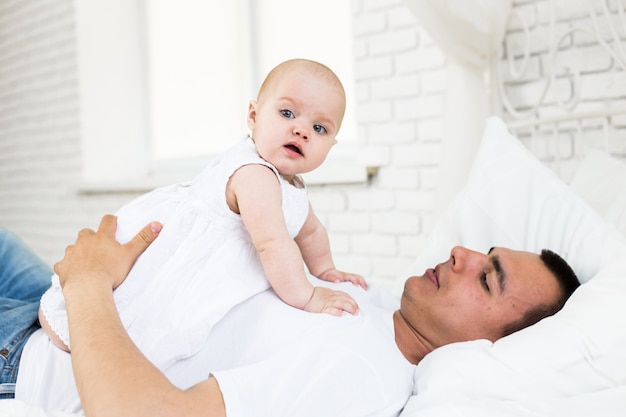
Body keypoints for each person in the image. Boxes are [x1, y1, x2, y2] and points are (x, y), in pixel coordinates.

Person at [1, 215, 580, 416]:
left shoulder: (364, 372)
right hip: (54, 303)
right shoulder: (380, 310)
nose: (462, 254)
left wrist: (89, 280)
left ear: (491, 348)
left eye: (487, 277)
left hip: (32, 352)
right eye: (486, 252)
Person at [37, 58, 367, 365]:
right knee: (140, 303)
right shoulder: (255, 174)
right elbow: (274, 243)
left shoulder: (290, 185)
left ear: (332, 145)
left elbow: (310, 231)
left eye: (320, 128)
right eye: (287, 113)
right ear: (253, 116)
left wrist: (325, 269)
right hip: (180, 250)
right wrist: (309, 296)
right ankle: (57, 331)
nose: (301, 130)